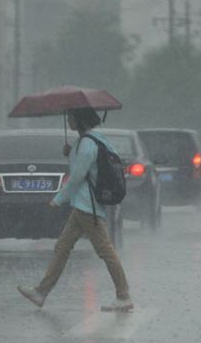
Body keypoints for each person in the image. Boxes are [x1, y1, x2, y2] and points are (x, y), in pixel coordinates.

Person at [17, 108, 133, 312]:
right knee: (62, 247)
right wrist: (71, 152)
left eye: (71, 117)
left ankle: (123, 296)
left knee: (105, 250)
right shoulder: (97, 139)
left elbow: (79, 175)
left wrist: (59, 198)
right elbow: (88, 166)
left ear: (79, 120)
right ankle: (41, 292)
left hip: (88, 207)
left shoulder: (87, 143)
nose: (68, 119)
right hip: (83, 206)